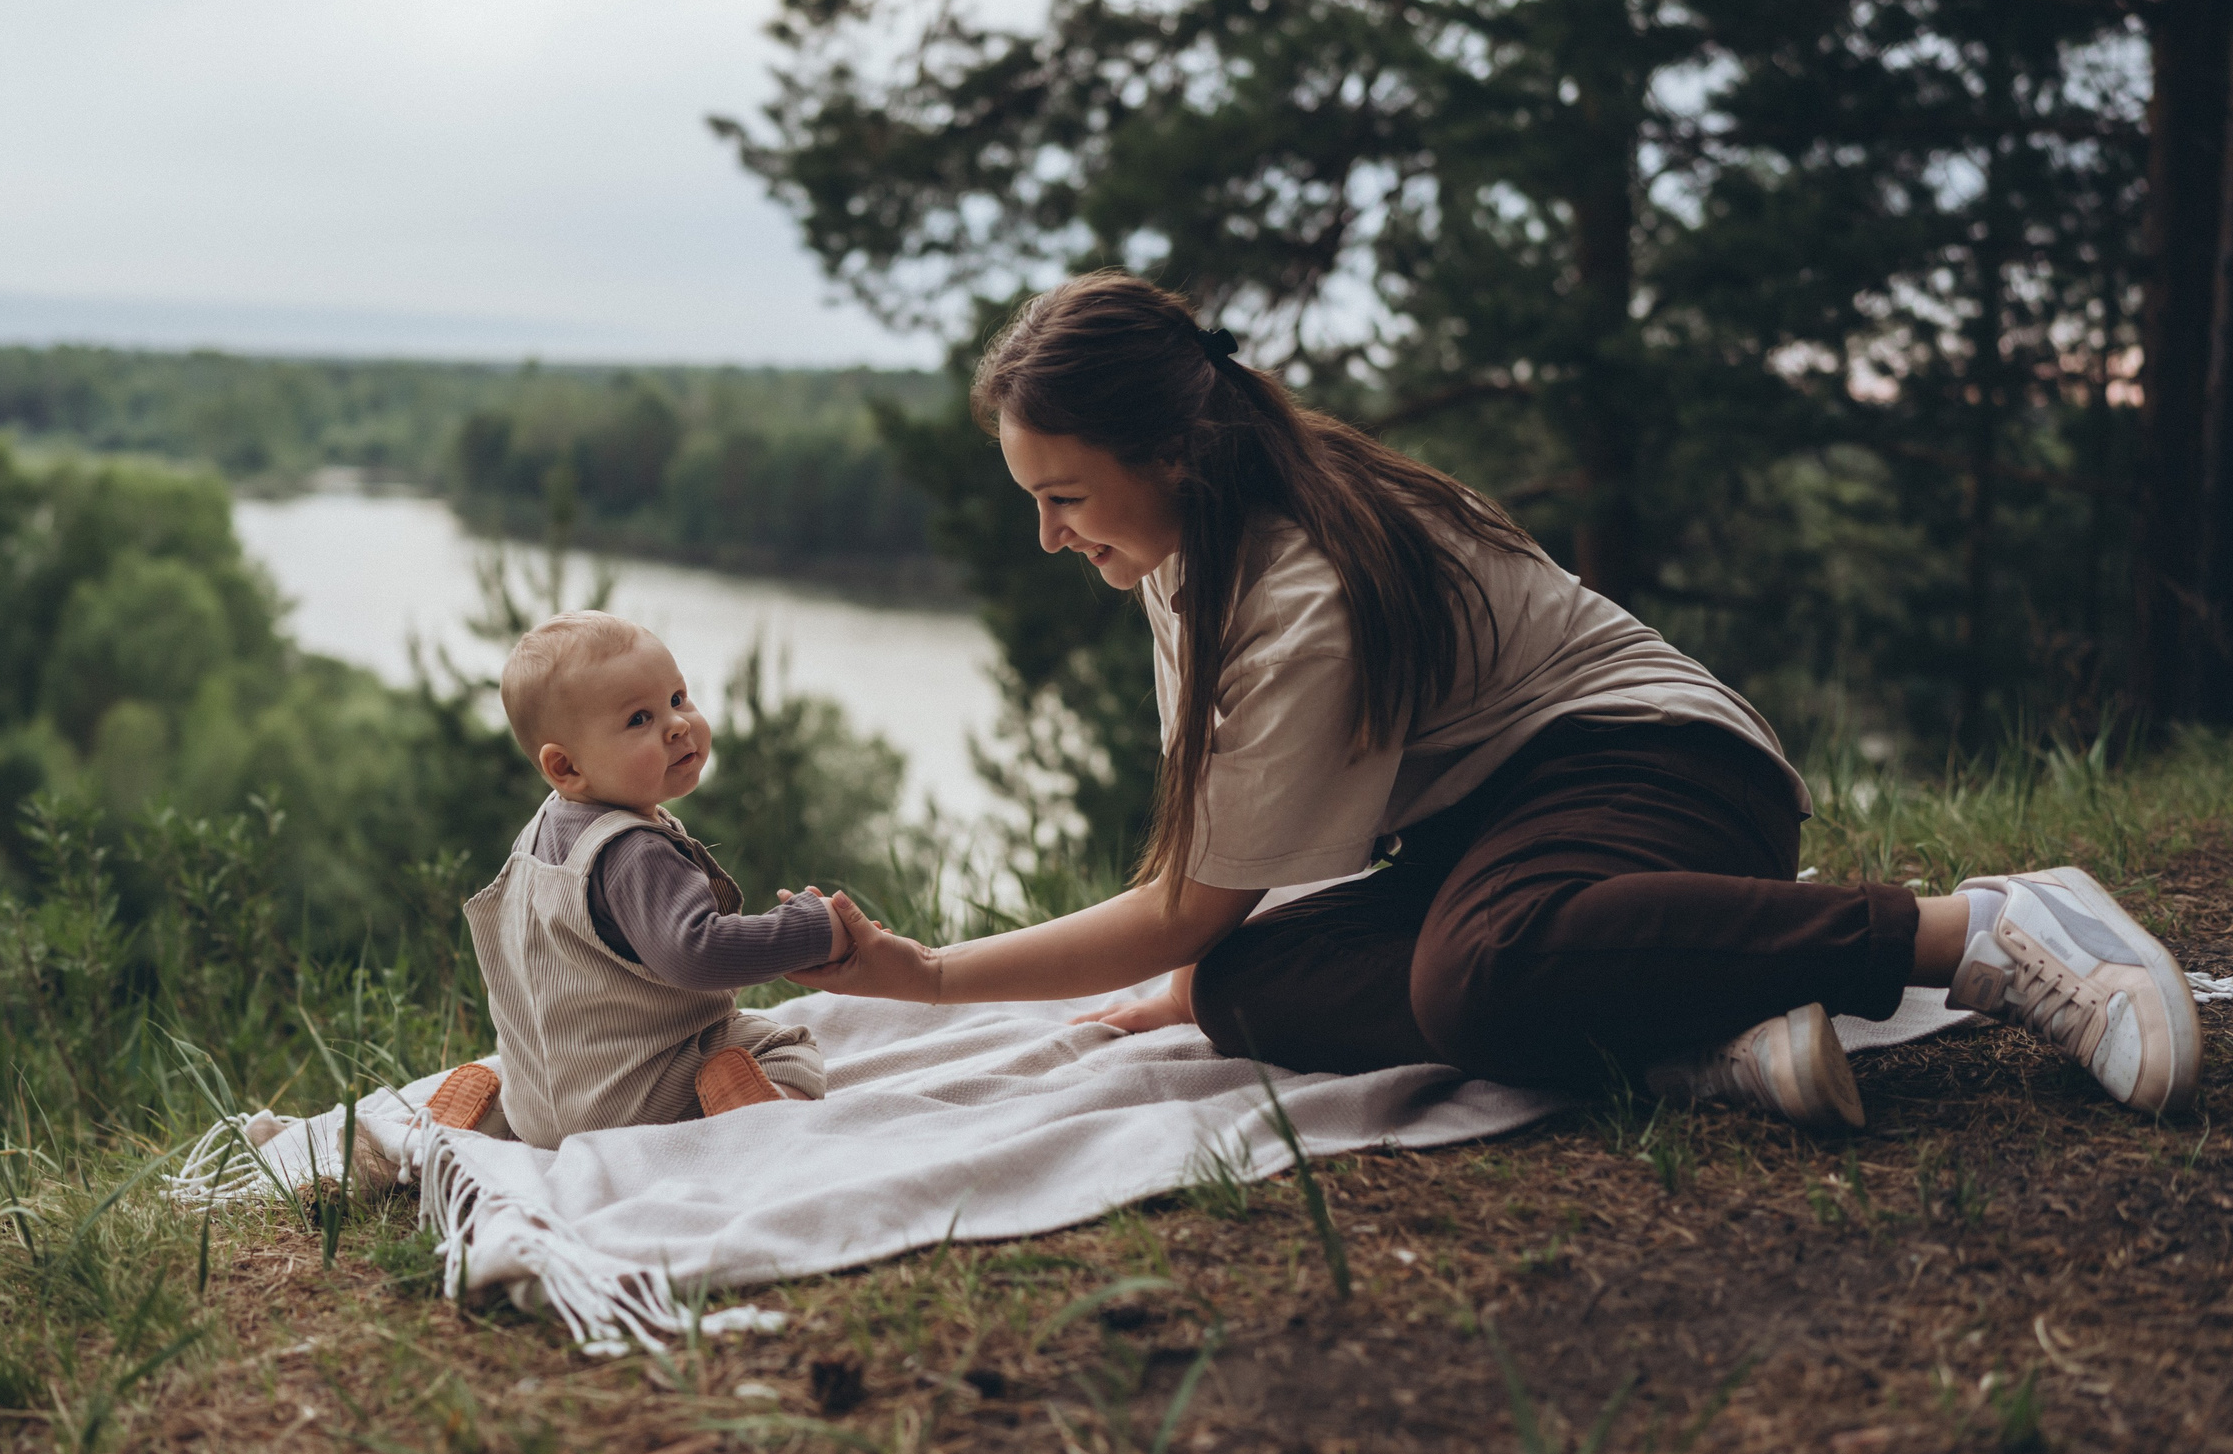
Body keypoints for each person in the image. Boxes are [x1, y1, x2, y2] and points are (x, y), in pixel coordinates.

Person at [796, 272, 2202, 1129]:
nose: (1050, 538)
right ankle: (1688, 1036)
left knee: (1468, 973)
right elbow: (1212, 895)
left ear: (1168, 447)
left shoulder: (1299, 589)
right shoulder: (1189, 557)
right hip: (1505, 838)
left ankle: (1985, 931)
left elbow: (1185, 894)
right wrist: (1186, 978)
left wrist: (927, 975)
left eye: (1063, 498)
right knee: (1239, 986)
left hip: (1665, 776)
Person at [440, 610, 841, 1147]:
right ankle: (754, 1114)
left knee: (533, 1065)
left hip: (543, 1098)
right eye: (639, 720)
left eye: (677, 699)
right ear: (566, 767)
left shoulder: (540, 833)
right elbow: (700, 954)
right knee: (785, 1046)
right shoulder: (633, 853)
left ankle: (486, 1107)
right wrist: (813, 931)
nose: (677, 724)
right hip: (635, 1099)